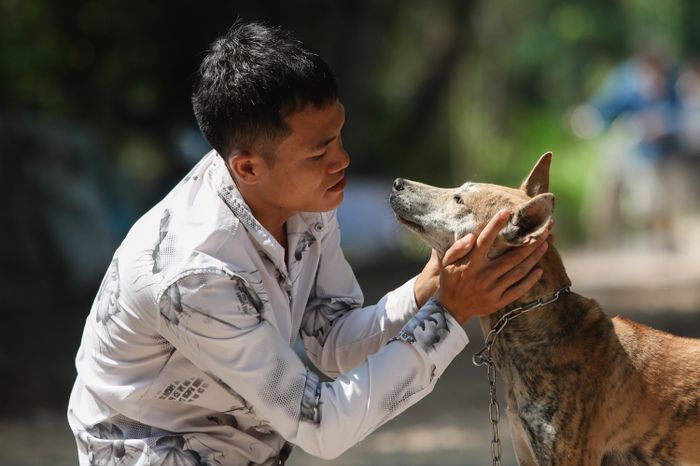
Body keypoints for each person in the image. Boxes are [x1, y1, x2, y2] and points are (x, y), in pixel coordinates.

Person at [67, 21, 548, 465]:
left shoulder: (302, 197)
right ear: (248, 167)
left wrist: (428, 286)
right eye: (320, 151)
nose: (342, 160)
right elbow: (323, 426)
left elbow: (332, 344)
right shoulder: (194, 274)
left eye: (339, 136)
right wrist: (449, 314)